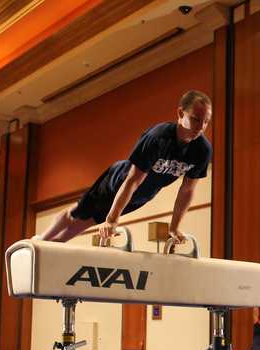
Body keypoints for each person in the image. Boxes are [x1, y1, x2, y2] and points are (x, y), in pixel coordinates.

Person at [38, 90, 211, 245]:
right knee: (76, 215)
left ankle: (50, 248)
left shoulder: (202, 150)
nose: (200, 127)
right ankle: (41, 240)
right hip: (117, 182)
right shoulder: (157, 138)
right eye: (196, 119)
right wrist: (112, 219)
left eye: (205, 122)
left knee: (84, 224)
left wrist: (174, 228)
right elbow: (133, 180)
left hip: (141, 196)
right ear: (180, 113)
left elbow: (186, 191)